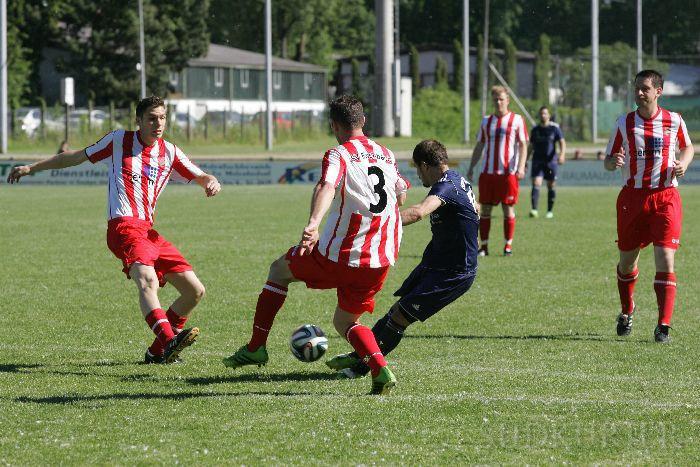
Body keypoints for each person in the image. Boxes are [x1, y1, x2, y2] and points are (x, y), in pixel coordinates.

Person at [7, 96, 221, 363]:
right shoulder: (119, 141)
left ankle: (156, 353)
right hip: (123, 226)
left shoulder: (170, 152)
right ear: (139, 121)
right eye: (152, 118)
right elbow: (73, 157)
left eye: (162, 118)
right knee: (148, 280)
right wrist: (31, 168)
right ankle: (169, 340)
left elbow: (202, 176)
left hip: (148, 232)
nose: (158, 123)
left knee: (194, 291)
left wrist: (211, 182)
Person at [222, 95, 409, 395]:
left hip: (341, 254)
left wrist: (313, 223)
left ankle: (256, 347)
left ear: (334, 125)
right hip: (380, 259)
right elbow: (400, 193)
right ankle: (380, 369)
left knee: (279, 270)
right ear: (363, 121)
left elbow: (326, 185)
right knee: (345, 320)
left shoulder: (338, 154)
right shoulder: (386, 154)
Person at [325, 139, 479, 378]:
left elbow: (418, 212)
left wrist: (381, 222)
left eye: (418, 169)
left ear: (426, 165)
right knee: (397, 310)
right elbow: (472, 207)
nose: (418, 176)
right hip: (437, 265)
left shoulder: (446, 187)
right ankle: (361, 355)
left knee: (399, 318)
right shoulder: (457, 179)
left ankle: (360, 369)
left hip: (454, 272)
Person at [604, 69, 694, 343]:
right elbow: (608, 160)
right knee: (627, 262)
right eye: (636, 89)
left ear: (658, 91)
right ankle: (627, 309)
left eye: (644, 88)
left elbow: (688, 147)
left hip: (666, 196)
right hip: (633, 199)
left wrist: (684, 163)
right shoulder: (624, 123)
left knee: (666, 258)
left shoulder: (674, 120)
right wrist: (613, 162)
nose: (639, 93)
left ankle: (663, 325)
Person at [467, 85, 528, 256]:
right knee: (485, 210)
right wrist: (472, 167)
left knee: (508, 209)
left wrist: (521, 166)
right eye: (496, 99)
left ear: (507, 100)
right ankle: (484, 247)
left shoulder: (517, 120)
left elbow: (523, 144)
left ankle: (507, 246)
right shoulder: (486, 121)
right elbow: (479, 145)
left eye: (502, 99)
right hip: (488, 173)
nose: (499, 102)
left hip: (508, 174)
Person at [526, 106, 566, 218]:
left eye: (545, 113)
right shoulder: (535, 130)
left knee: (551, 185)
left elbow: (562, 142)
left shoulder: (554, 128)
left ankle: (549, 211)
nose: (543, 115)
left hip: (551, 162)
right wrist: (525, 160)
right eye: (541, 114)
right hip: (537, 161)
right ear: (539, 115)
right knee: (536, 183)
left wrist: (562, 155)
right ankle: (534, 210)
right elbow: (531, 146)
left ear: (548, 115)